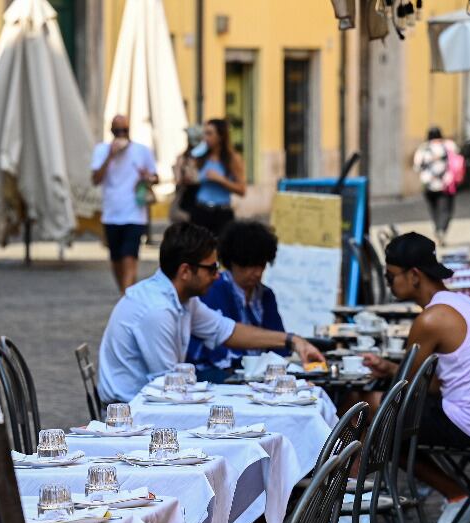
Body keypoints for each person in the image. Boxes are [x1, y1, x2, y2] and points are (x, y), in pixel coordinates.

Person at [359, 232, 470, 523]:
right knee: (383, 419)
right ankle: (364, 507)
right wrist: (390, 369)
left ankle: (358, 510)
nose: (389, 285)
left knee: (369, 410)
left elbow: (401, 391)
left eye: (391, 277)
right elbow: (431, 382)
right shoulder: (459, 302)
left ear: (414, 275)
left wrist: (390, 376)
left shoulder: (431, 319)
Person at [97, 222, 322, 404]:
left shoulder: (183, 299)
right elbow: (169, 389)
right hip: (132, 411)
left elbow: (227, 331)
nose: (217, 276)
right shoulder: (157, 310)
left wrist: (293, 341)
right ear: (185, 271)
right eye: (212, 269)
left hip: (156, 399)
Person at [186, 220, 289, 381]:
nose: (256, 273)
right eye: (248, 266)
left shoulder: (266, 295)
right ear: (232, 262)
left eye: (260, 266)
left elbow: (279, 343)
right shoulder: (214, 290)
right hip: (217, 374)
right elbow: (219, 348)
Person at [92, 114, 159, 292]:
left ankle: (127, 296)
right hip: (111, 213)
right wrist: (110, 156)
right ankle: (126, 292)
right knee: (115, 259)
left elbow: (155, 177)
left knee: (130, 256)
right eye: (117, 130)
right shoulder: (101, 150)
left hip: (135, 213)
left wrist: (148, 178)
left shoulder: (142, 151)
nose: (121, 134)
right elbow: (95, 179)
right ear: (111, 131)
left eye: (124, 130)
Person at [189, 119, 246, 237]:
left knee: (221, 251)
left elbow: (242, 190)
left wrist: (220, 179)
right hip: (200, 210)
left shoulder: (232, 159)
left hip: (222, 213)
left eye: (209, 133)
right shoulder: (200, 156)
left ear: (221, 136)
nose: (205, 138)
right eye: (204, 133)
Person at [413, 128, 461, 246]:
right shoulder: (449, 145)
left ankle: (437, 228)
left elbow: (417, 167)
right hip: (445, 185)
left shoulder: (423, 149)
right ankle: (441, 230)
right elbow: (458, 160)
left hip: (428, 185)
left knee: (434, 210)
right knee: (446, 210)